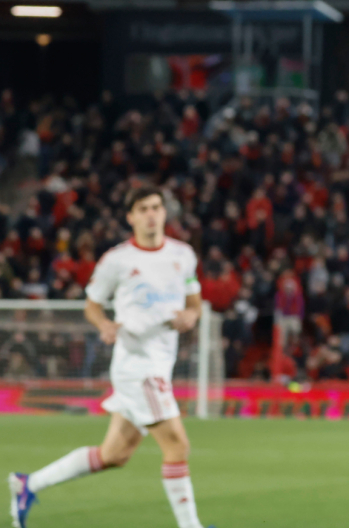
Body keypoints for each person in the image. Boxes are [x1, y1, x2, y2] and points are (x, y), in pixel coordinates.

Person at [9, 187, 209, 528]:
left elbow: (194, 303)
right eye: (143, 208)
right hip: (138, 366)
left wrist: (191, 316)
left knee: (114, 454)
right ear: (131, 217)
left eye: (156, 207)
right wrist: (103, 324)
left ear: (164, 212)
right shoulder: (117, 260)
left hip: (161, 362)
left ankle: (28, 485)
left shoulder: (183, 255)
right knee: (177, 445)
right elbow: (92, 304)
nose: (151, 214)